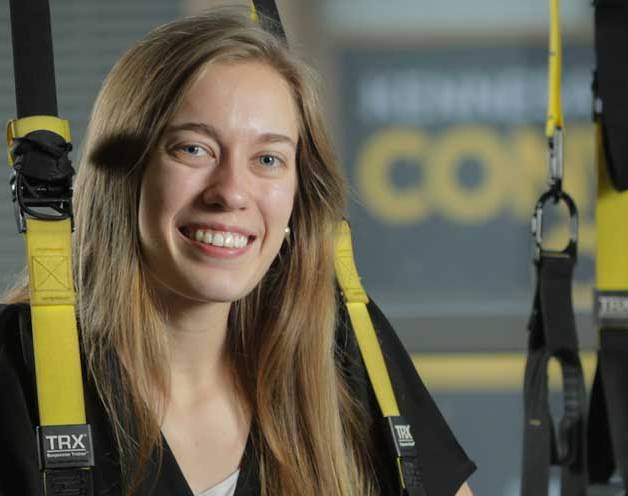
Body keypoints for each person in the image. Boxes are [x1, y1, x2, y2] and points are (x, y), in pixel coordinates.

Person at [0, 8, 475, 496]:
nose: (231, 192)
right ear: (124, 173)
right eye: (193, 149)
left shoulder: (341, 346)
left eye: (268, 159)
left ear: (299, 195)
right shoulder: (15, 370)